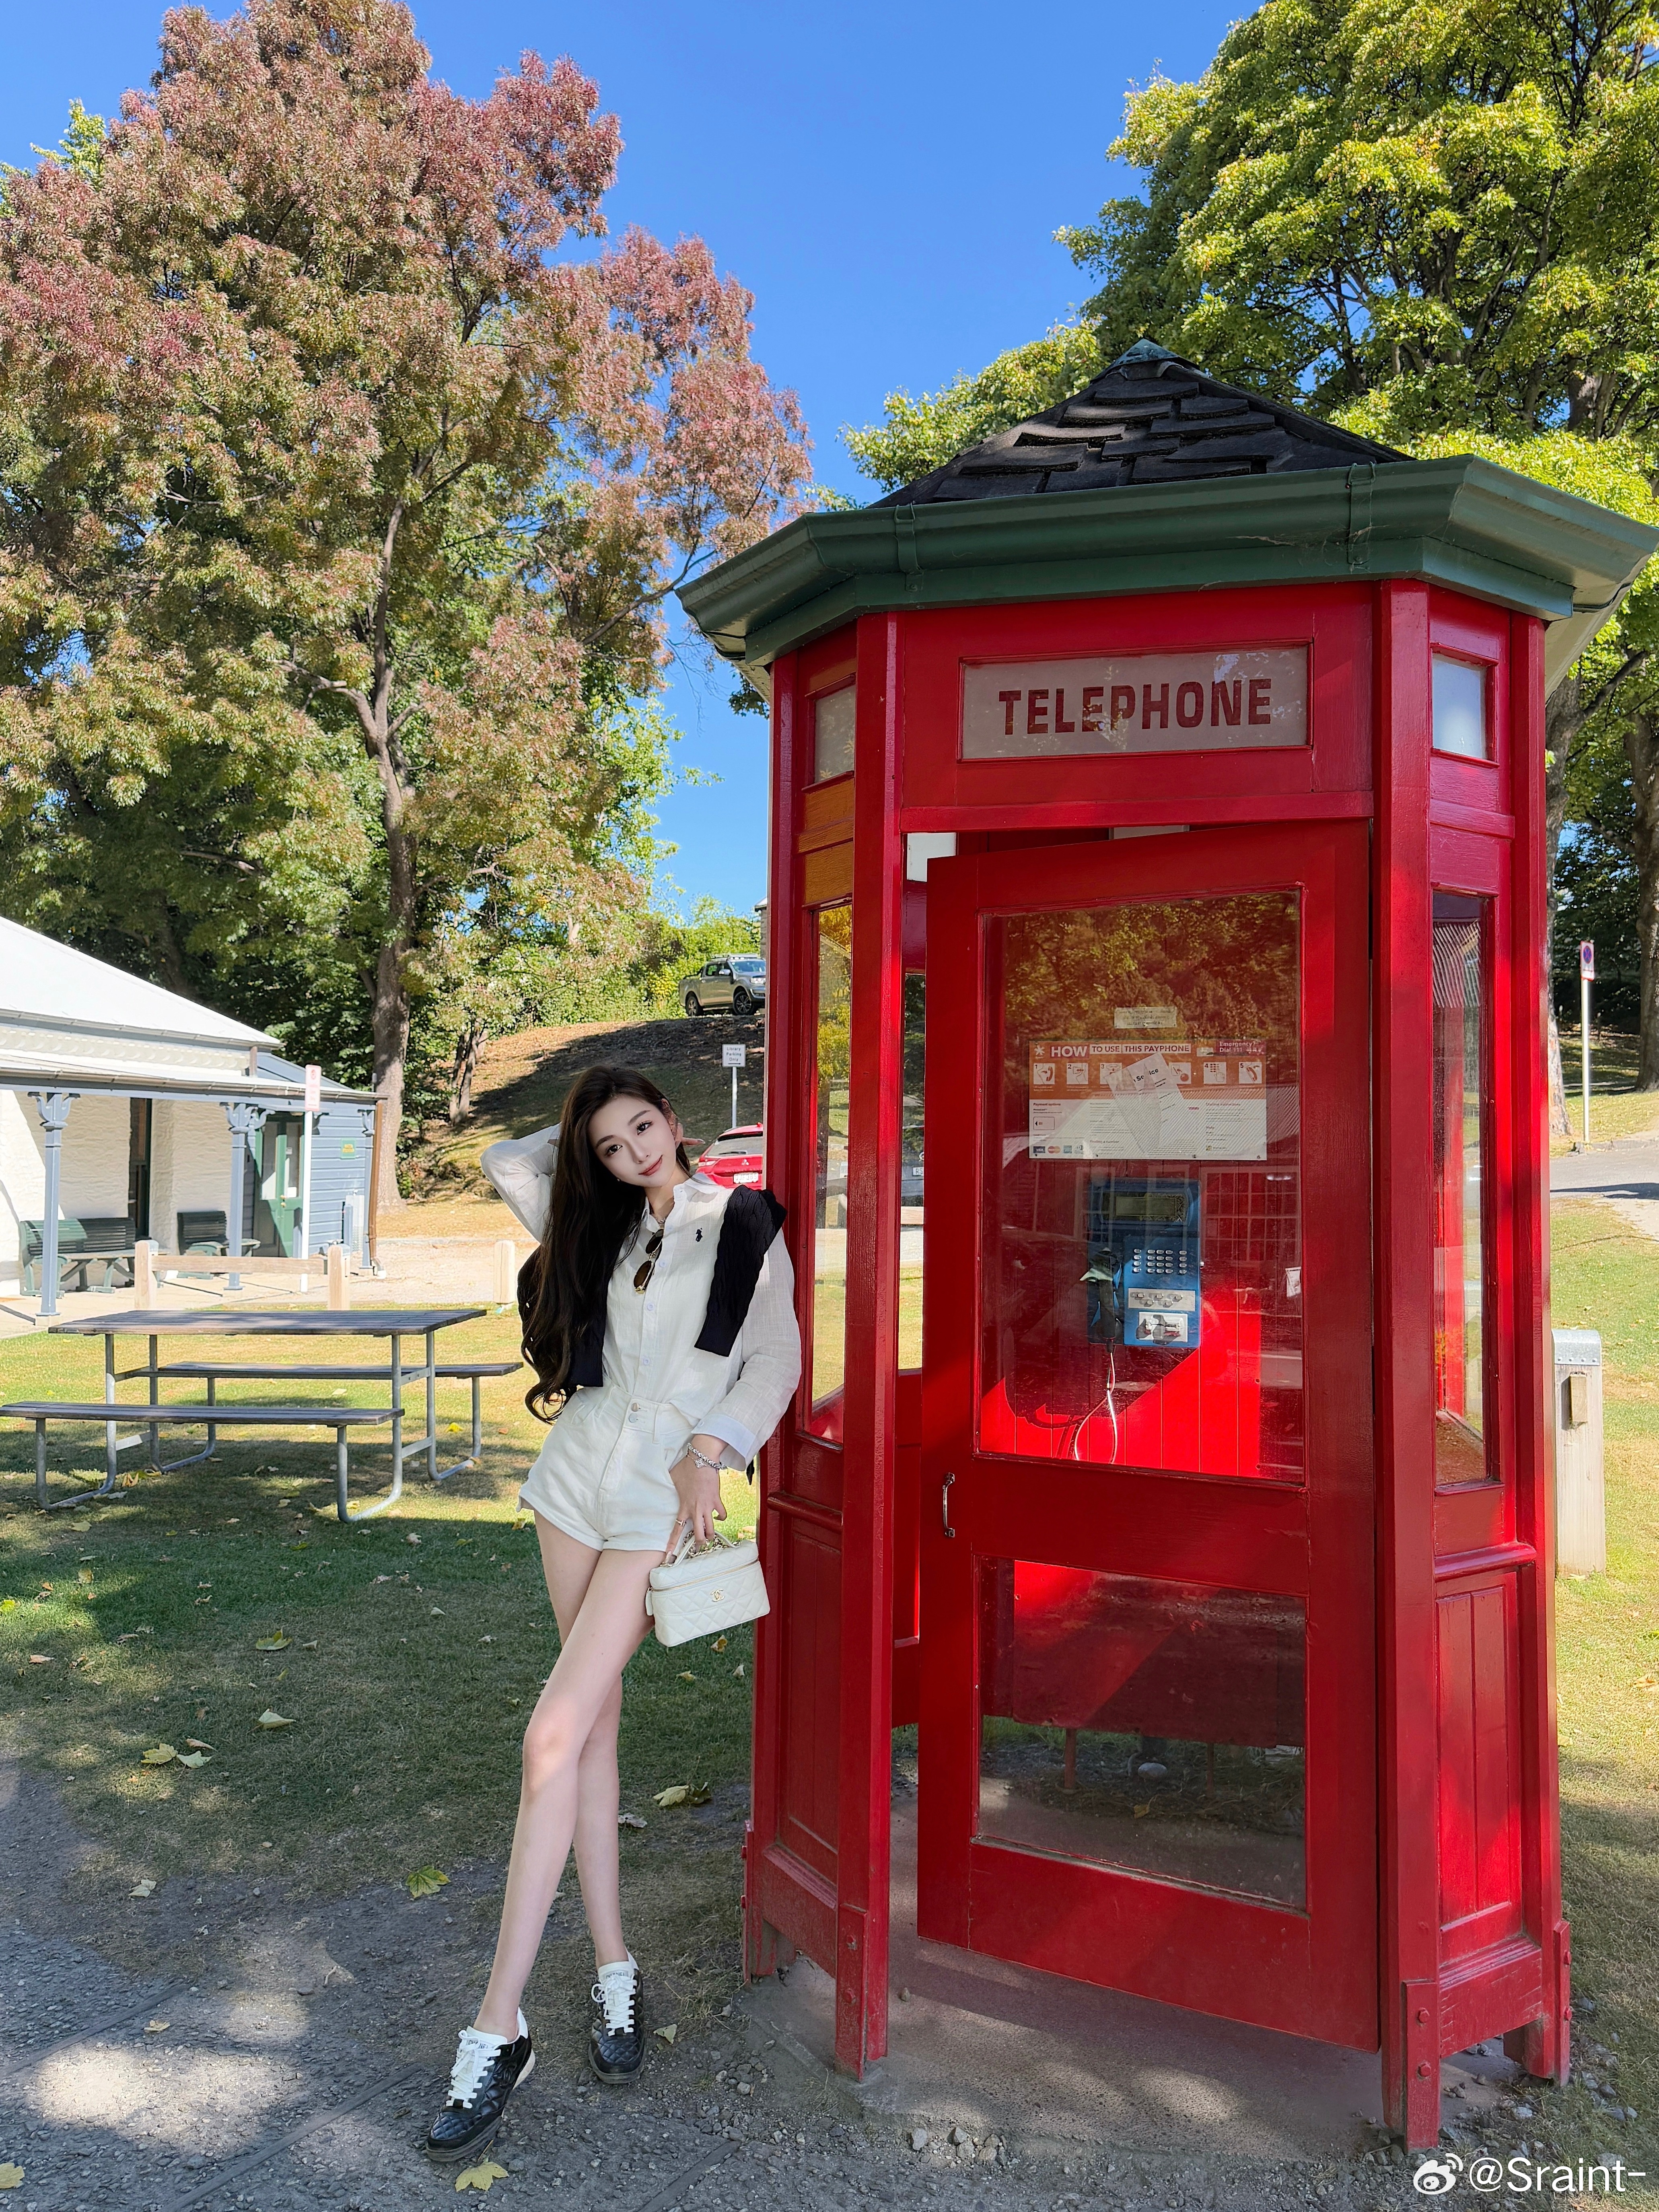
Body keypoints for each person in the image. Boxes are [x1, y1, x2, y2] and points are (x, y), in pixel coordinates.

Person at [423, 1065, 800, 2165]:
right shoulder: (602, 1221)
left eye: (644, 1126)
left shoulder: (739, 1219)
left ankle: (500, 2023)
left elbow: (775, 1356)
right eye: (610, 1143)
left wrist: (712, 1449)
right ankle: (615, 1967)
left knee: (551, 1730)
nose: (636, 1150)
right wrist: (578, 1148)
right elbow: (507, 1162)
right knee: (587, 1729)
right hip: (575, 1473)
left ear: (675, 1121)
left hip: (658, 1492)